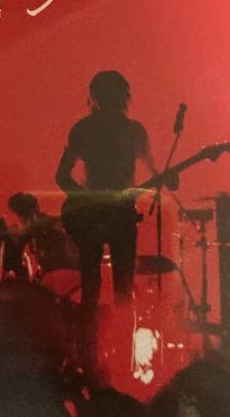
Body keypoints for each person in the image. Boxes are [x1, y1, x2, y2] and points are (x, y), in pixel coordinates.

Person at [55, 71, 168, 341]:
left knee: (93, 287)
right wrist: (163, 179)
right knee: (120, 288)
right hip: (119, 216)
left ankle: (90, 348)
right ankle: (119, 348)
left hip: (96, 217)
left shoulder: (84, 129)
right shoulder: (133, 131)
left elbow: (61, 176)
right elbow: (153, 170)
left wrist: (85, 198)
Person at [0, 191, 74, 278]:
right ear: (8, 217)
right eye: (24, 218)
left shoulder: (50, 228)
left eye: (33, 218)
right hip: (2, 291)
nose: (30, 224)